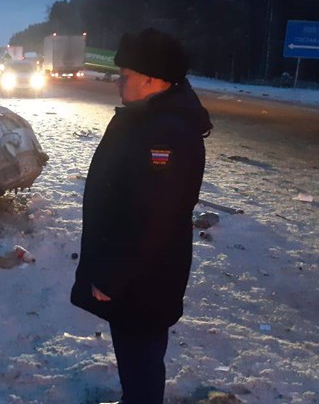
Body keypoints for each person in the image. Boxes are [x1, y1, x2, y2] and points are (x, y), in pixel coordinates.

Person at [70, 28, 212, 404]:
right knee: (135, 356)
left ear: (152, 79)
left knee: (142, 357)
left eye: (126, 75)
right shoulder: (151, 119)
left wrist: (111, 276)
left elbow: (154, 219)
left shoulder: (167, 134)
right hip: (139, 275)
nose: (119, 82)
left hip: (144, 279)